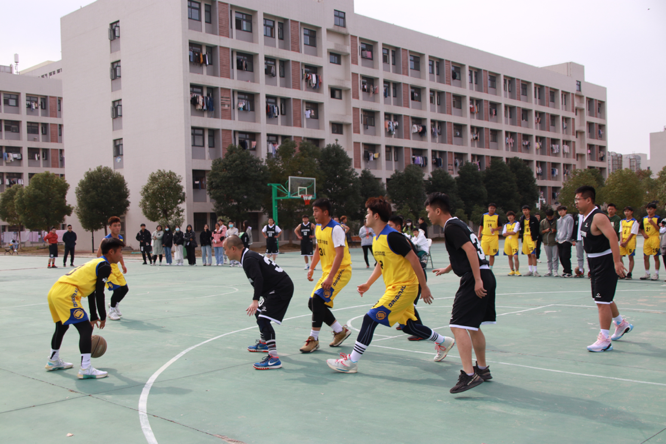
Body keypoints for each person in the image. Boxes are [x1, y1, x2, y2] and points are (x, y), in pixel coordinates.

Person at [326, 197, 455, 374]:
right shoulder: (377, 238)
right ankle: (443, 341)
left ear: (376, 216)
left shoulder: (393, 236)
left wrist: (424, 287)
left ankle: (352, 361)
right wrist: (368, 283)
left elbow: (414, 260)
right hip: (395, 287)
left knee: (370, 318)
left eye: (368, 213)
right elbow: (381, 264)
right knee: (409, 326)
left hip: (405, 287)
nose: (365, 216)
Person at [426, 192, 497, 394]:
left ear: (437, 210)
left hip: (476, 276)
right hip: (486, 274)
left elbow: (471, 251)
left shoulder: (451, 227)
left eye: (428, 211)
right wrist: (448, 269)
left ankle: (469, 374)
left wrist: (477, 280)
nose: (427, 215)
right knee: (472, 326)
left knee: (457, 325)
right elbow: (466, 251)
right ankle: (482, 369)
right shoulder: (459, 224)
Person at [45, 237, 125, 379]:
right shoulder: (105, 267)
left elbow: (92, 291)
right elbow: (99, 293)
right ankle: (85, 368)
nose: (121, 255)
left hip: (55, 290)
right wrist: (103, 316)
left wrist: (94, 316)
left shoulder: (97, 263)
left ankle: (53, 360)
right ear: (111, 252)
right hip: (66, 293)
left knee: (61, 326)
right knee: (86, 329)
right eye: (120, 251)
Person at [574, 186, 633, 352]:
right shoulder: (585, 217)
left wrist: (617, 262)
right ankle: (621, 323)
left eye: (578, 199)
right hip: (595, 262)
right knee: (603, 298)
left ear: (588, 200)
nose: (576, 202)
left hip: (605, 262)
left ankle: (605, 340)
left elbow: (613, 237)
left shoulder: (598, 217)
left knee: (602, 301)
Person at [224, 236, 294, 370]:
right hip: (275, 288)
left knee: (263, 319)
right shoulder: (247, 257)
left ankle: (274, 358)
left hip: (280, 288)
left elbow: (258, 279)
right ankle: (264, 343)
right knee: (259, 311)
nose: (224, 252)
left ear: (233, 248)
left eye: (225, 249)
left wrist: (255, 300)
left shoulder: (248, 259)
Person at [301, 198, 352, 353]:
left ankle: (313, 339)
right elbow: (318, 249)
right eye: (313, 211)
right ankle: (339, 331)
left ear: (325, 212)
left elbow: (340, 254)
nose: (314, 214)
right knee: (312, 303)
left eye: (316, 211)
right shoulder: (318, 227)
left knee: (317, 300)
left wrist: (330, 277)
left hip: (341, 271)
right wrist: (312, 267)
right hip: (327, 272)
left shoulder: (336, 229)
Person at [387, 215, 428, 341]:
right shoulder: (393, 239)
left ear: (398, 227)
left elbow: (414, 260)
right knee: (405, 303)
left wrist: (424, 286)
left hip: (415, 275)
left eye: (390, 226)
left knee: (410, 304)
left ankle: (421, 331)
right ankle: (404, 323)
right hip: (407, 276)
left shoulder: (402, 240)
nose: (387, 228)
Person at [97, 216, 129, 321]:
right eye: (115, 226)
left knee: (125, 289)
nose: (117, 227)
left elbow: (119, 253)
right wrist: (103, 267)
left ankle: (114, 304)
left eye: (119, 225)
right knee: (117, 289)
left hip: (116, 267)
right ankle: (111, 311)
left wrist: (123, 265)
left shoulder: (120, 238)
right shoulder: (105, 240)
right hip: (107, 268)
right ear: (110, 227)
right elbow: (98, 255)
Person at [639, 202, 661, 281]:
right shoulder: (644, 218)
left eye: (651, 209)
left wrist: (653, 223)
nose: (649, 211)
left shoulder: (658, 218)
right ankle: (647, 273)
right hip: (647, 239)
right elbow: (641, 228)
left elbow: (660, 229)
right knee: (645, 256)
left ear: (654, 209)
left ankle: (656, 273)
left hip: (655, 238)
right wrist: (643, 234)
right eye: (648, 209)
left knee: (656, 256)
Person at [478, 203, 502, 269]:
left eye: (493, 208)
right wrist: (479, 235)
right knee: (483, 253)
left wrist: (495, 229)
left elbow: (500, 226)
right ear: (488, 208)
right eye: (491, 208)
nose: (492, 209)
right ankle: (483, 266)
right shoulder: (484, 215)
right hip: (485, 236)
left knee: (492, 253)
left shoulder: (497, 216)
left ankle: (490, 267)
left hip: (494, 237)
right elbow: (481, 225)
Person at [519, 206, 540, 276]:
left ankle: (535, 271)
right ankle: (530, 270)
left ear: (529, 210)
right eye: (523, 210)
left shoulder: (533, 219)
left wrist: (536, 237)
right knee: (528, 254)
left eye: (526, 210)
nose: (525, 212)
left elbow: (537, 228)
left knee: (533, 254)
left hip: (531, 238)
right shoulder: (522, 218)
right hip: (525, 238)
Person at [619, 206, 638, 280]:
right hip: (623, 241)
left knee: (630, 257)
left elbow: (632, 233)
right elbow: (621, 231)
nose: (626, 213)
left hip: (630, 241)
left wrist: (626, 242)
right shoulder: (622, 221)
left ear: (631, 212)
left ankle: (629, 273)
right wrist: (621, 240)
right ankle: (622, 272)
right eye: (625, 211)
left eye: (628, 211)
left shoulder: (634, 221)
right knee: (619, 257)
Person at [555, 206, 575, 278]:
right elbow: (558, 230)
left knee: (565, 256)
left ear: (565, 210)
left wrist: (567, 239)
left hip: (566, 241)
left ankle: (569, 271)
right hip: (559, 240)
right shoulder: (558, 220)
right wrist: (556, 238)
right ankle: (565, 270)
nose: (560, 212)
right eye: (559, 211)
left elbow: (570, 229)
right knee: (561, 257)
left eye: (561, 210)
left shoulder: (569, 218)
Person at [540, 208, 558, 276]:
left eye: (550, 216)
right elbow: (540, 231)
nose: (549, 218)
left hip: (555, 242)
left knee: (555, 258)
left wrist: (554, 230)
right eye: (548, 216)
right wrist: (546, 230)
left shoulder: (557, 221)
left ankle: (555, 271)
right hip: (546, 242)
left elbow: (560, 230)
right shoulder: (543, 222)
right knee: (549, 258)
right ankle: (549, 271)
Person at [502, 211, 521, 276]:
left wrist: (507, 233)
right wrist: (509, 233)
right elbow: (503, 234)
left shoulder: (517, 223)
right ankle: (512, 270)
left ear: (514, 216)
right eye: (508, 216)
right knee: (509, 256)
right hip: (507, 241)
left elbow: (514, 232)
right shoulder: (506, 225)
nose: (509, 217)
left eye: (511, 216)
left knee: (515, 256)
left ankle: (517, 270)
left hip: (514, 241)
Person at [573, 213, 586, 278]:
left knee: (589, 256)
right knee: (579, 256)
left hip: (587, 238)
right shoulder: (576, 216)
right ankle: (580, 271)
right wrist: (573, 238)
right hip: (578, 238)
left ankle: (591, 271)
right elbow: (574, 227)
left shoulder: (588, 215)